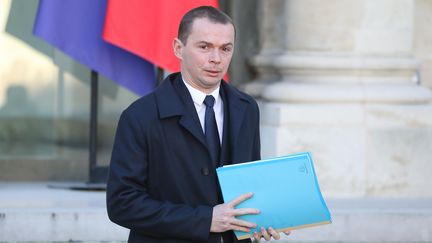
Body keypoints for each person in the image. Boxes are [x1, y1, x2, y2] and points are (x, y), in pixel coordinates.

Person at [107, 6, 289, 243]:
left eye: (226, 49)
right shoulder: (139, 116)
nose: (216, 59)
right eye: (204, 47)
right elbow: (122, 204)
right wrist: (204, 219)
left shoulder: (247, 108)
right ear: (178, 49)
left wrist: (261, 220)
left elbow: (247, 186)